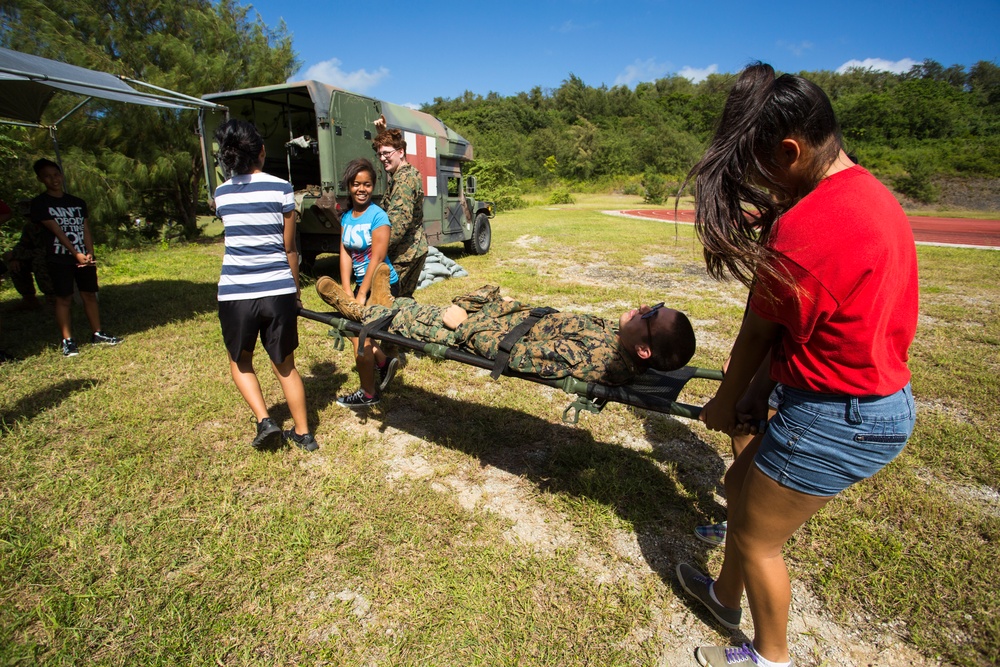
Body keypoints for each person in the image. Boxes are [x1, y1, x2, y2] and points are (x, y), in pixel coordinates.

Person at [676, 63, 918, 667]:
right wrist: (761, 393)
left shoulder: (810, 225)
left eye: (757, 170)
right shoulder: (864, 192)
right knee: (736, 487)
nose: (757, 186)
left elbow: (759, 333)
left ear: (790, 150)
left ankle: (770, 657)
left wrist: (729, 402)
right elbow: (799, 332)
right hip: (863, 399)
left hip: (839, 415)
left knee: (757, 541)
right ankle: (722, 598)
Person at [315, 281, 696, 387]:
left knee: (410, 317)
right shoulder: (617, 340)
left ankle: (356, 307)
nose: (644, 307)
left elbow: (515, 357)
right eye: (654, 306)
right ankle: (388, 301)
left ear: (644, 350)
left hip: (476, 331)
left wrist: (462, 325)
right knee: (415, 308)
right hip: (506, 317)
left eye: (650, 315)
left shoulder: (597, 358)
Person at [214, 119, 318, 452]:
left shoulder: (221, 194)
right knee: (285, 364)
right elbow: (289, 248)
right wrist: (295, 293)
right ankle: (303, 433)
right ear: (261, 150)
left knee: (240, 360)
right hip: (277, 290)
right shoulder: (281, 188)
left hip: (236, 294)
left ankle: (265, 420)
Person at [29, 159, 122, 357]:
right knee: (64, 298)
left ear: (61, 175)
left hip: (83, 257)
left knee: (89, 293)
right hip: (59, 257)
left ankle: (97, 333)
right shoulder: (40, 203)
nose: (53, 179)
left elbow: (84, 229)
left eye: (56, 174)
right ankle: (68, 340)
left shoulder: (77, 203)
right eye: (47, 176)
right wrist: (76, 254)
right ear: (40, 179)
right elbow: (57, 231)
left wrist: (89, 252)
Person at [331, 157, 401, 408]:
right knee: (355, 333)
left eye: (368, 184)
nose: (362, 189)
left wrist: (361, 294)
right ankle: (382, 361)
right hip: (360, 286)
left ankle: (369, 393)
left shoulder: (378, 216)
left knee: (358, 335)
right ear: (349, 185)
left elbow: (377, 258)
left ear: (373, 186)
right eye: (357, 184)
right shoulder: (347, 217)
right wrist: (347, 289)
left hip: (382, 285)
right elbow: (345, 253)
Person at [372, 123, 427, 298]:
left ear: (401, 152)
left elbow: (398, 221)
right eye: (379, 154)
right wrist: (382, 134)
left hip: (405, 253)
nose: (382, 158)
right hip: (412, 249)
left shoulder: (404, 179)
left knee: (388, 300)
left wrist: (375, 250)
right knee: (401, 299)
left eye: (386, 153)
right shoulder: (404, 173)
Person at [2, 219, 54, 310]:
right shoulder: (30, 226)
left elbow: (46, 251)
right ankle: (29, 299)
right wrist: (14, 257)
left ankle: (52, 298)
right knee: (16, 265)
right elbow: (23, 244)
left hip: (56, 258)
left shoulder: (54, 223)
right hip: (36, 256)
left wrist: (16, 255)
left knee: (39, 262)